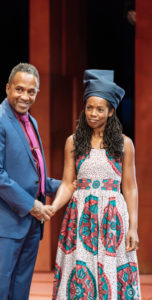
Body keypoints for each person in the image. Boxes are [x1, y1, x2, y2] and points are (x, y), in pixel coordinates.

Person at [0, 62, 61, 300]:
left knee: (20, 292)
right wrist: (32, 205)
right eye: (19, 89)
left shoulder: (31, 122)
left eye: (31, 91)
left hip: (30, 226)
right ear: (7, 88)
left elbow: (36, 176)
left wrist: (67, 186)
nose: (25, 96)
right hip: (3, 224)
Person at [51, 69, 141, 299]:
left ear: (111, 111)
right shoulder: (73, 141)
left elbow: (129, 187)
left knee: (112, 272)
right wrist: (53, 208)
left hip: (113, 219)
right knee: (80, 274)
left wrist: (133, 227)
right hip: (81, 217)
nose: (93, 113)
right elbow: (68, 183)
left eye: (100, 109)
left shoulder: (124, 144)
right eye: (89, 107)